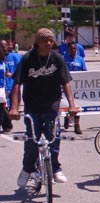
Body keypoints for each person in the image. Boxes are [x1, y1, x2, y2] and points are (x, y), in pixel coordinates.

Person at [9, 28, 78, 187]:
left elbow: (66, 82)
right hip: (32, 107)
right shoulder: (27, 59)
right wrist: (14, 107)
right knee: (32, 141)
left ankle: (55, 168)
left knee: (54, 138)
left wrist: (72, 106)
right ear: (37, 42)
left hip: (52, 106)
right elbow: (17, 84)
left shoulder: (57, 58)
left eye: (50, 40)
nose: (48, 43)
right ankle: (26, 169)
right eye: (44, 40)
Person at [63, 41, 87, 134]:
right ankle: (67, 117)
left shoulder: (80, 59)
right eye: (71, 48)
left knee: (77, 106)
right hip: (66, 85)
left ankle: (77, 125)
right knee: (66, 104)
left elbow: (84, 71)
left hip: (78, 87)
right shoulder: (63, 59)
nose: (73, 50)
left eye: (74, 49)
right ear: (68, 49)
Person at [0, 46, 13, 133]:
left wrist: (16, 76)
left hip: (1, 88)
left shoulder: (2, 63)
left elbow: (7, 73)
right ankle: (7, 125)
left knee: (1, 107)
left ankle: (7, 125)